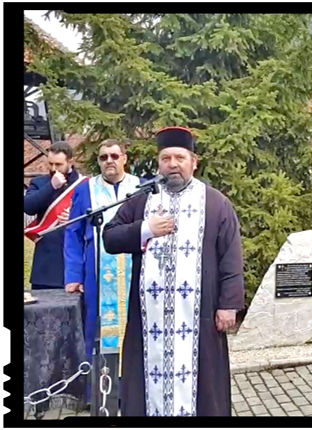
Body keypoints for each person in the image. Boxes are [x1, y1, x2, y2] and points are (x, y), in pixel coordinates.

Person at [102, 126, 246, 416]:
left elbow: (231, 256)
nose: (173, 164)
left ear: (194, 162)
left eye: (180, 157)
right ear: (159, 163)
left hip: (198, 315)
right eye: (166, 158)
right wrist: (145, 229)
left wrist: (229, 305)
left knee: (204, 392)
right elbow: (110, 237)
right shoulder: (141, 200)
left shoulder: (216, 203)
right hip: (149, 318)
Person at [64, 139, 141, 413]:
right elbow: (72, 233)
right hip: (98, 274)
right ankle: (99, 395)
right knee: (97, 332)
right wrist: (73, 275)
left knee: (136, 331)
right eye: (103, 157)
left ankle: (134, 392)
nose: (109, 161)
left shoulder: (140, 187)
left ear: (124, 158)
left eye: (114, 156)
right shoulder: (86, 190)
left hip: (136, 271)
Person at [24, 141, 86, 290]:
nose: (53, 169)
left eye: (58, 164)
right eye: (50, 164)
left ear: (70, 162)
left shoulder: (85, 185)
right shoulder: (39, 183)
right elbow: (28, 207)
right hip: (46, 264)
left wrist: (73, 218)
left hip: (75, 261)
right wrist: (51, 186)